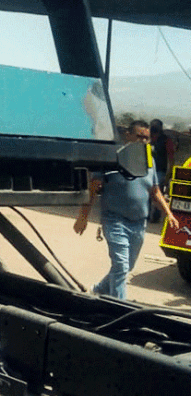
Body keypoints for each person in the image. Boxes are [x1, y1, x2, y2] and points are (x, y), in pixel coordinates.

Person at [74, 120, 179, 299]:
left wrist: (168, 213)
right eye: (138, 136)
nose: (143, 141)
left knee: (125, 267)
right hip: (115, 220)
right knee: (121, 265)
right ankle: (119, 307)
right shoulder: (112, 158)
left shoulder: (149, 161)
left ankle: (99, 289)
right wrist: (83, 217)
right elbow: (93, 188)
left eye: (146, 138)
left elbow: (155, 191)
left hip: (138, 224)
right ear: (127, 135)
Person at [149, 118, 176, 222]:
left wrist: (169, 174)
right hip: (147, 170)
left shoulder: (166, 140)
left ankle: (156, 215)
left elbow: (171, 157)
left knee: (157, 192)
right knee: (146, 192)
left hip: (160, 171)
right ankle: (146, 214)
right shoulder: (147, 138)